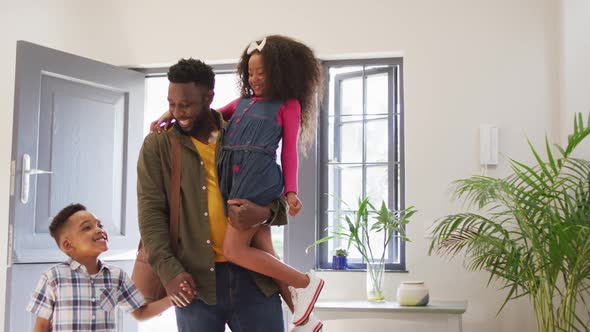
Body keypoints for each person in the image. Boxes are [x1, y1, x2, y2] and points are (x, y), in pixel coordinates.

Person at [152, 35, 324, 331]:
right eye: (251, 73)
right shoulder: (243, 103)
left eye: (263, 73)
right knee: (264, 249)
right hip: (238, 178)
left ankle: (305, 282)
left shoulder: (288, 105)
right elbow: (211, 113)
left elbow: (290, 152)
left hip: (257, 180)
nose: (255, 79)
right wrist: (172, 112)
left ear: (281, 73)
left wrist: (291, 191)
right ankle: (304, 317)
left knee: (235, 249)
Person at [138, 58, 291, 331]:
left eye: (186, 104)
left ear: (209, 97)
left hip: (255, 279)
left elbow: (273, 190)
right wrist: (169, 272)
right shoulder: (158, 145)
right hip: (193, 282)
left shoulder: (241, 132)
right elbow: (150, 215)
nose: (178, 112)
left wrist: (265, 213)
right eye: (172, 104)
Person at [27, 203, 171, 332]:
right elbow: (41, 327)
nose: (99, 230)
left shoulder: (116, 276)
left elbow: (141, 312)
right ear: (67, 244)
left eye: (100, 225)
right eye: (87, 228)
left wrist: (173, 299)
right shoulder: (53, 277)